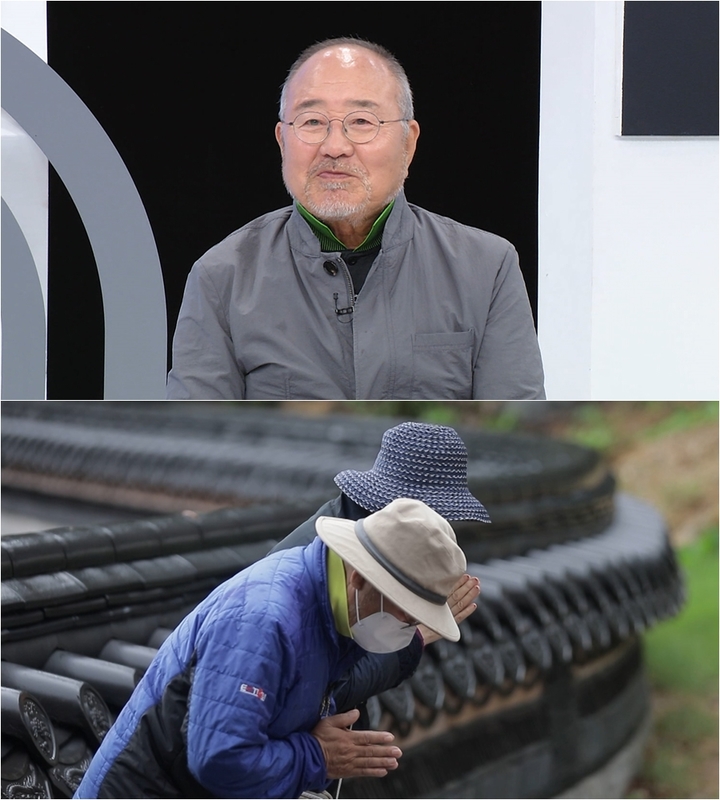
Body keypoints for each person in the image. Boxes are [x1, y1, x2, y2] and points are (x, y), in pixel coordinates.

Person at [166, 36, 545, 400]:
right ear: (283, 140)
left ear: (408, 143)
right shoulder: (222, 276)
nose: (335, 147)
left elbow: (523, 444)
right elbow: (195, 446)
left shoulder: (486, 267)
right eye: (312, 122)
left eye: (362, 121)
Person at [73, 498, 472, 799]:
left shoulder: (337, 614)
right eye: (404, 614)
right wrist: (318, 757)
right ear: (360, 579)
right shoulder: (265, 618)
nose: (406, 628)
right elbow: (220, 758)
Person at [269, 420, 487, 728]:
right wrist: (415, 637)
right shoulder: (319, 565)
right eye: (433, 518)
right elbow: (320, 688)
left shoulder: (368, 538)